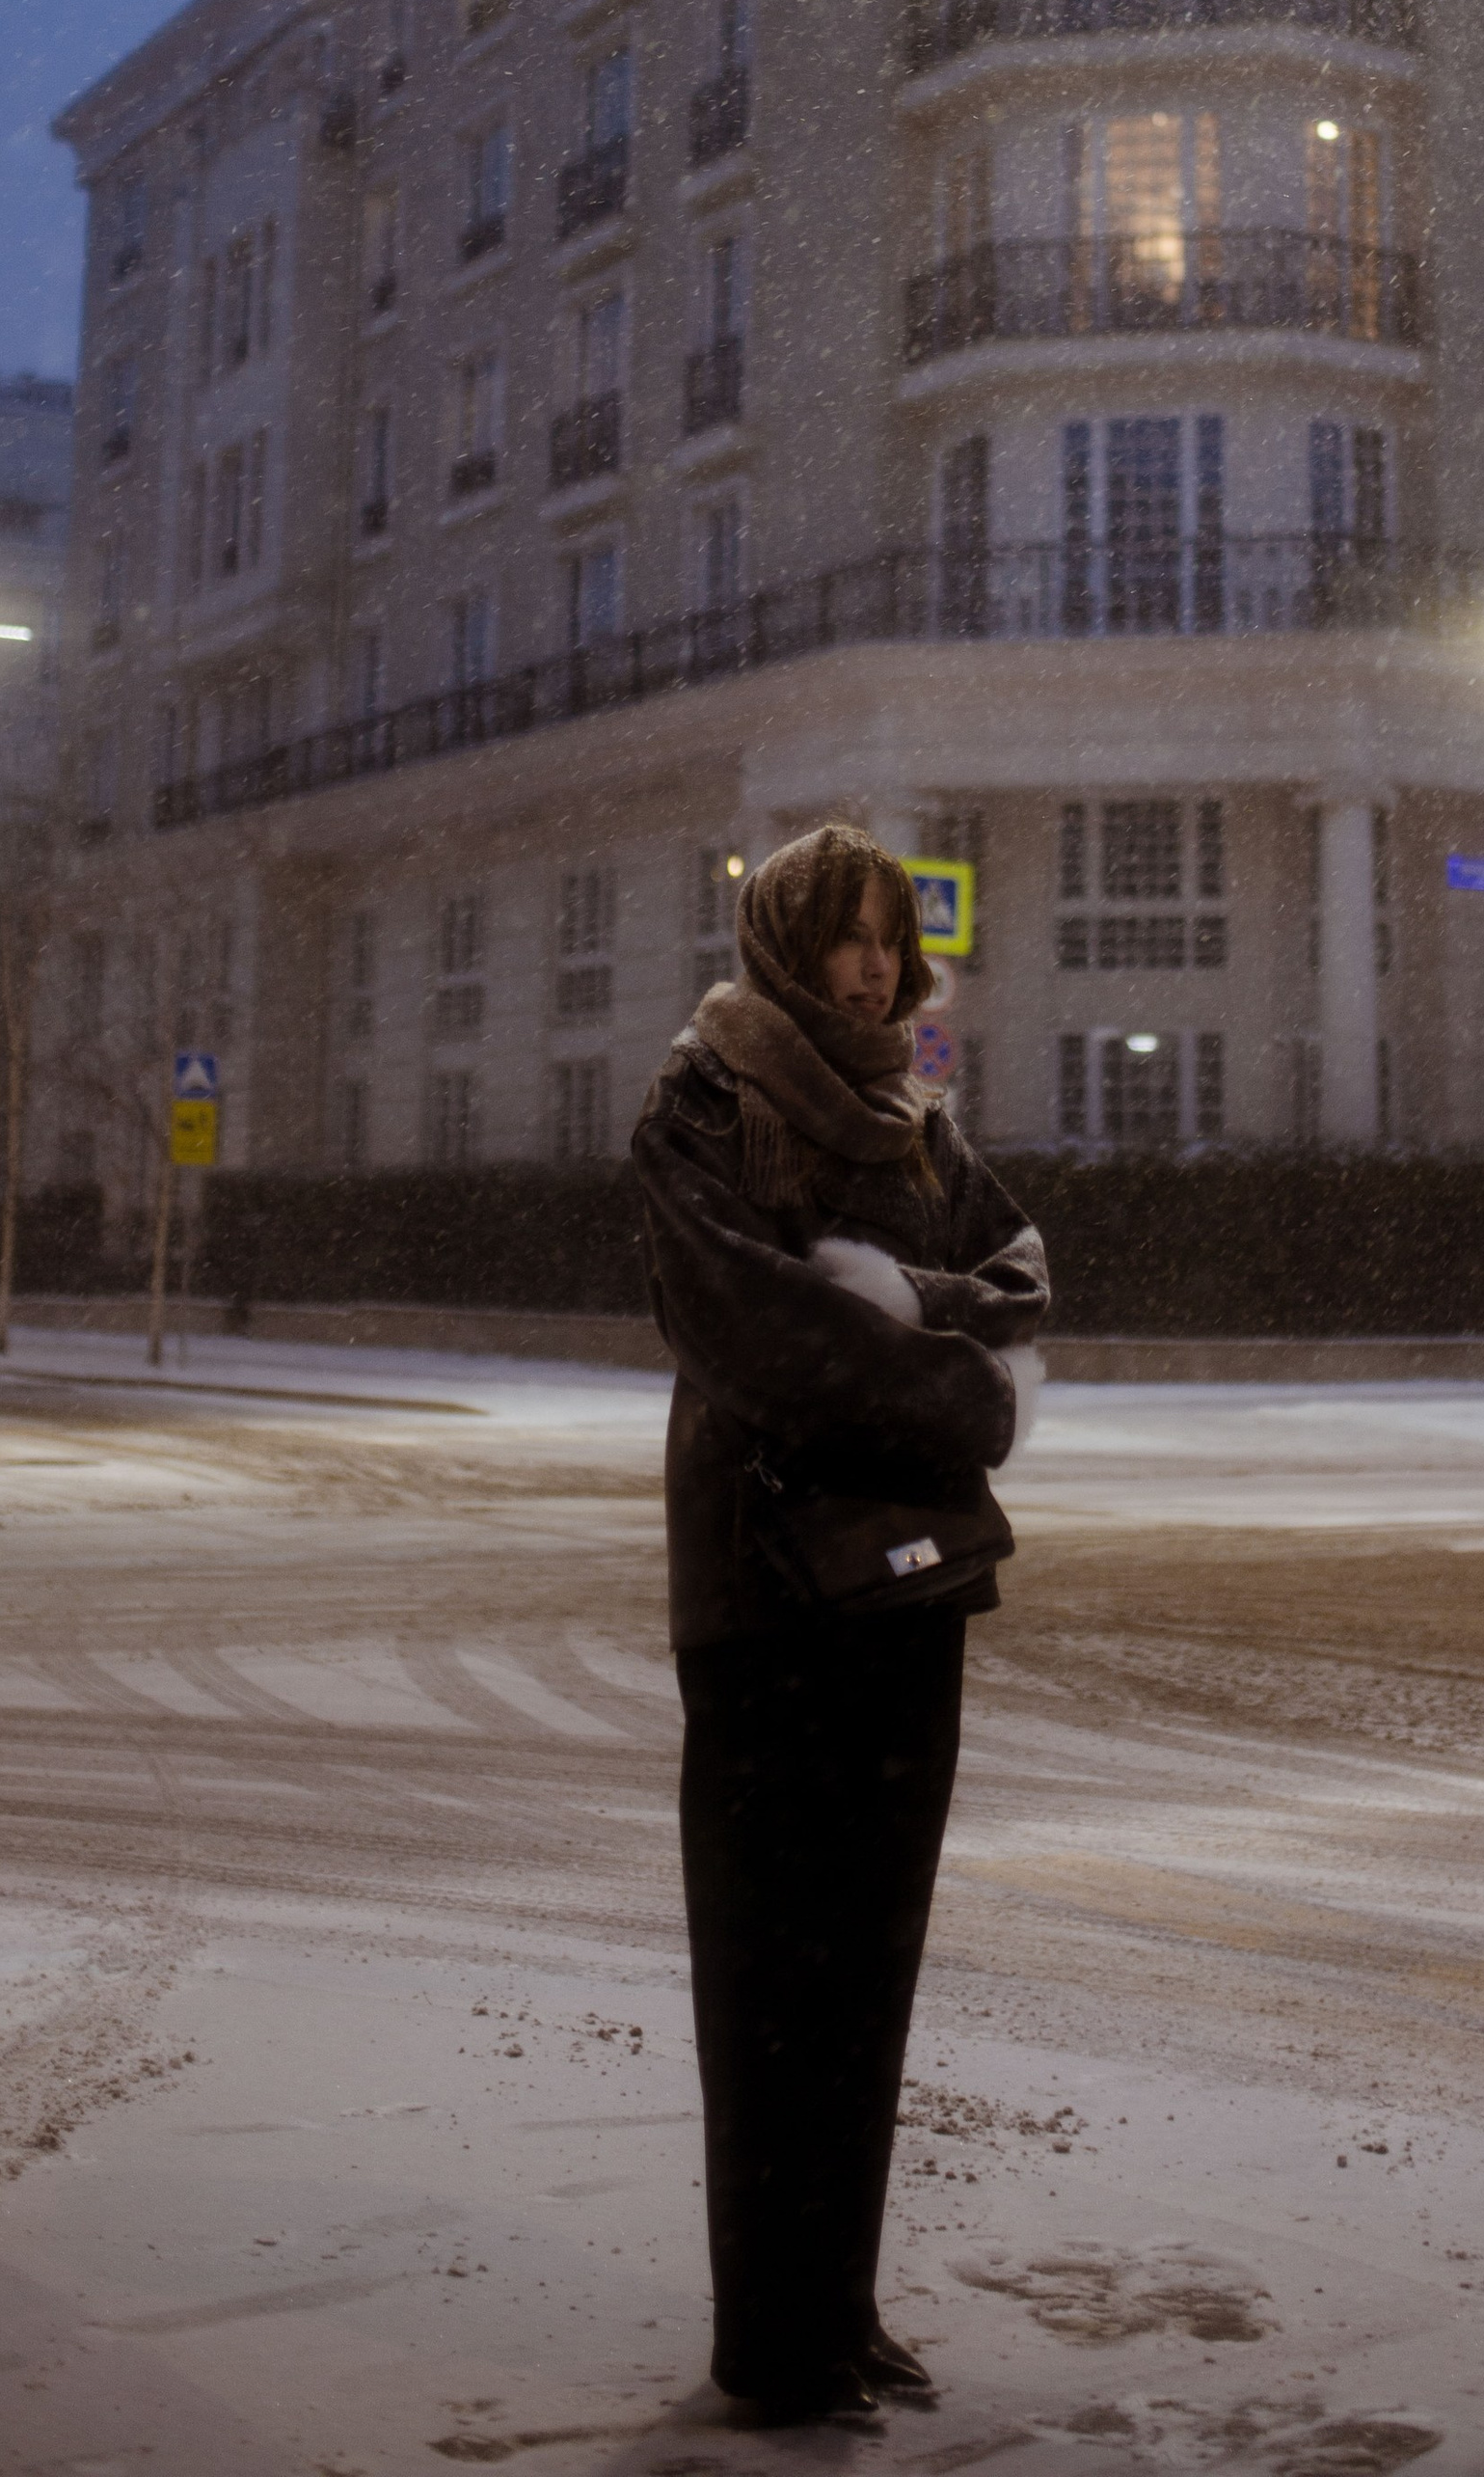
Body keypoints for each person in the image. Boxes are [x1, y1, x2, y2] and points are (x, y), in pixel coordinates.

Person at [632, 823, 1049, 2430]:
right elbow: (760, 1329)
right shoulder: (703, 1098)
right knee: (768, 1971)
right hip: (759, 1587)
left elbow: (1015, 1269)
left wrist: (900, 1302)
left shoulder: (914, 1114)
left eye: (890, 937)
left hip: (909, 1580)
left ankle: (845, 2306)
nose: (872, 965)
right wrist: (954, 1378)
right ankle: (770, 2343)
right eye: (845, 936)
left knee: (871, 1964)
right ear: (781, 941)